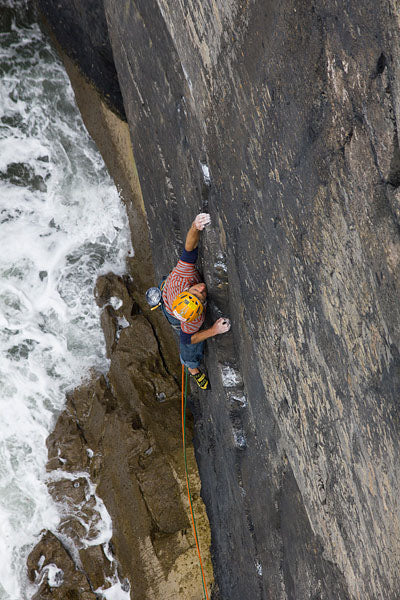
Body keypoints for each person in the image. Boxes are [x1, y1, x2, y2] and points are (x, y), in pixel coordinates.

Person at [156, 213, 230, 390]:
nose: (202, 288)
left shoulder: (182, 278)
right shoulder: (193, 320)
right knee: (189, 346)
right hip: (174, 313)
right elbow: (189, 338)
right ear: (201, 308)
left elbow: (189, 248)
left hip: (168, 291)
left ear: (187, 290)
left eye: (196, 291)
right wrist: (214, 330)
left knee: (170, 280)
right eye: (201, 296)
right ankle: (192, 367)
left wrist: (194, 226)